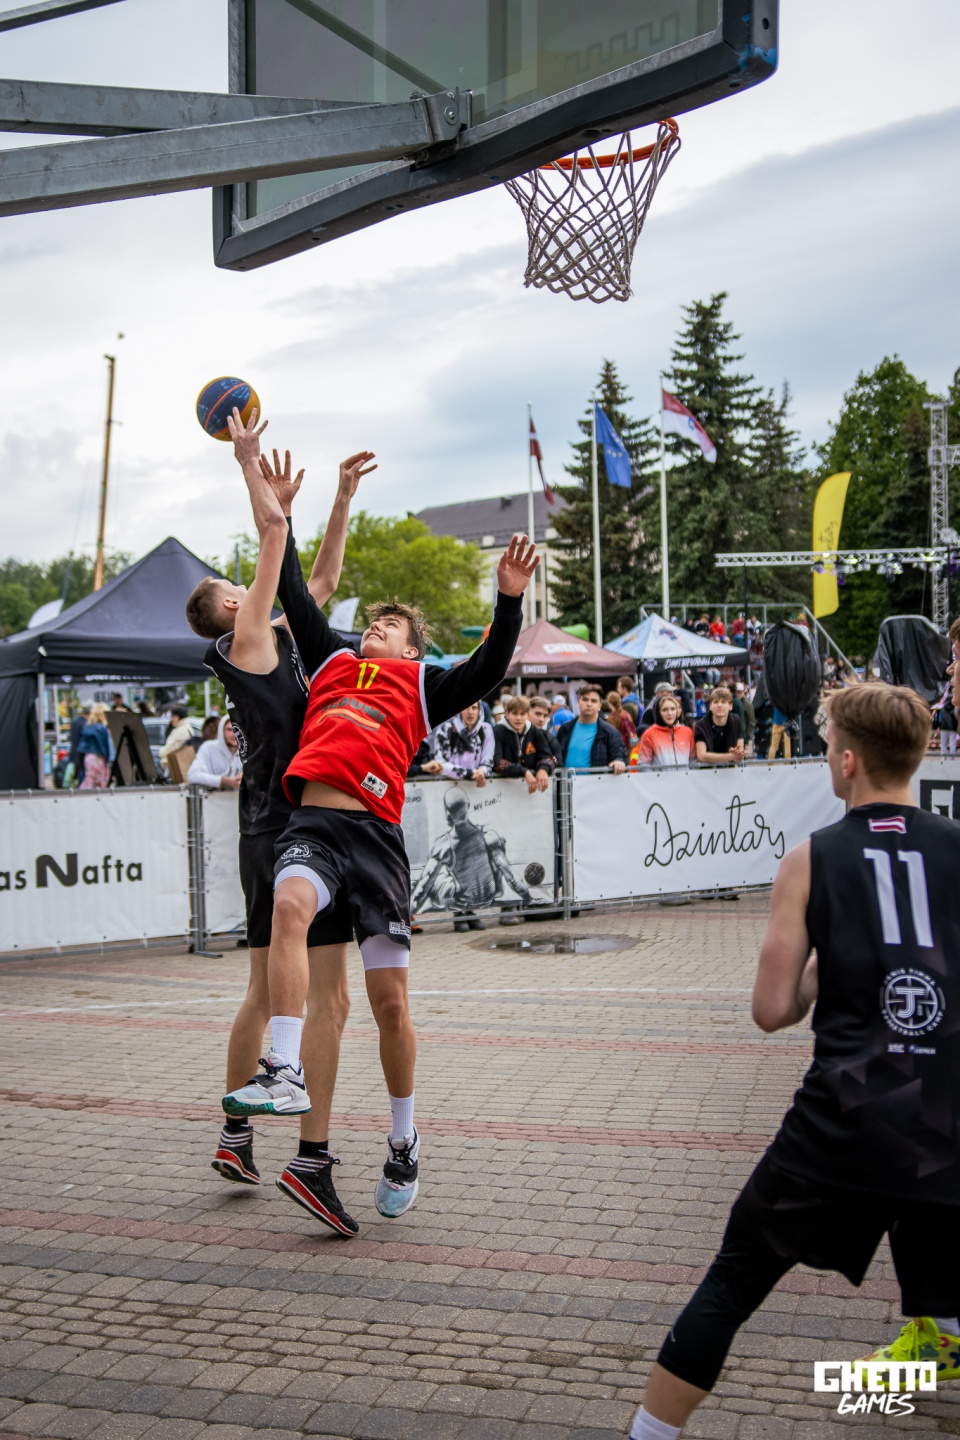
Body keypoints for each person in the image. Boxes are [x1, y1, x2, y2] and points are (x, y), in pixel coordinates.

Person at [627, 684, 960, 1440]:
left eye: (829, 745)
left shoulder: (811, 858)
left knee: (733, 1280)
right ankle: (915, 1361)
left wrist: (823, 969)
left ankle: (651, 1433)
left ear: (847, 761)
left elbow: (772, 1009)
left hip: (845, 1115)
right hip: (944, 1115)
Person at [221, 475, 539, 1221]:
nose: (375, 628)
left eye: (390, 626)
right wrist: (283, 512)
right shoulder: (331, 661)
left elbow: (490, 668)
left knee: (389, 1004)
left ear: (412, 648)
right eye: (372, 621)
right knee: (289, 909)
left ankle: (404, 1139)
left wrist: (508, 600)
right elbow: (295, 588)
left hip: (375, 839)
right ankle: (282, 1066)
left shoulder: (423, 684)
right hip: (312, 826)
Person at [185, 406, 374, 1236]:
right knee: (328, 1001)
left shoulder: (277, 639)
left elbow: (318, 580)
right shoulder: (250, 641)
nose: (250, 586)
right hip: (287, 832)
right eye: (238, 589)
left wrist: (337, 502)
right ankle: (310, 1159)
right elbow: (271, 541)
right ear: (231, 606)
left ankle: (235, 1139)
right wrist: (249, 464)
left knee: (266, 993)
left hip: (268, 830)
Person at [411, 787, 537, 932]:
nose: (457, 813)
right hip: (467, 897)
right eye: (454, 809)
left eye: (458, 808)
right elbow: (423, 887)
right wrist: (529, 898)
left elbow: (510, 874)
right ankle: (460, 913)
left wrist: (529, 898)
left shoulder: (487, 837)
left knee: (498, 854)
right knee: (438, 879)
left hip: (486, 894)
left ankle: (468, 913)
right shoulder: (445, 846)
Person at [556, 685, 626, 773]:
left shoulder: (610, 732)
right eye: (585, 699)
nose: (589, 704)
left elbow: (619, 754)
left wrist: (618, 761)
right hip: (565, 781)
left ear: (599, 706)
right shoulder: (565, 729)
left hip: (595, 781)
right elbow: (555, 754)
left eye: (594, 701)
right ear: (579, 702)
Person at [492, 695, 555, 793]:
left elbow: (547, 756)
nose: (518, 718)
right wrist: (524, 772)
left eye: (522, 714)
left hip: (529, 790)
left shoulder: (534, 731)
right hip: (501, 788)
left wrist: (543, 769)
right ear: (507, 714)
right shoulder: (498, 731)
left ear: (528, 715)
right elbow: (497, 762)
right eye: (515, 713)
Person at [425, 703, 494, 785]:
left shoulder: (486, 729)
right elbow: (440, 764)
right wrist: (471, 774)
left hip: (478, 787)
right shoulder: (446, 729)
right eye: (466, 707)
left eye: (474, 708)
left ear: (479, 710)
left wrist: (482, 771)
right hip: (448, 786)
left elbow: (488, 760)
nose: (470, 712)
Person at [633, 692, 694, 769]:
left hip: (685, 776)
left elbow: (693, 760)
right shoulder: (649, 734)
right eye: (665, 710)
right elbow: (644, 764)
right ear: (658, 713)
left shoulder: (687, 732)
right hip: (659, 777)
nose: (669, 713)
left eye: (673, 709)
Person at [186, 715, 242, 790]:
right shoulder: (208, 748)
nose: (234, 734)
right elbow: (193, 775)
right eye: (229, 730)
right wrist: (224, 781)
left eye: (238, 730)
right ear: (221, 731)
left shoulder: (248, 751)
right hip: (212, 797)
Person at [694, 686, 744, 765]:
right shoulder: (701, 725)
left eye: (723, 702)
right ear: (710, 706)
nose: (719, 705)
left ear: (730, 706)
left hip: (730, 769)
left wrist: (738, 752)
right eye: (716, 702)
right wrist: (730, 756)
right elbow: (701, 756)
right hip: (707, 770)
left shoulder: (736, 720)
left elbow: (740, 751)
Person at [77, 703, 113, 788]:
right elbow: (105, 748)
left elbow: (81, 746)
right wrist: (108, 762)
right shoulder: (102, 729)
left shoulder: (88, 726)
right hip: (99, 758)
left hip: (88, 757)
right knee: (101, 783)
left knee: (89, 781)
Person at [158, 704, 194, 772]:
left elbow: (168, 750)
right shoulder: (187, 728)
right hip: (183, 765)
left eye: (173, 717)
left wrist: (161, 752)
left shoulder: (180, 730)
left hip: (175, 766)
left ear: (179, 717)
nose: (172, 719)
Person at [528, 695, 562, 763]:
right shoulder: (515, 735)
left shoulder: (550, 738)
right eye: (538, 714)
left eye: (545, 716)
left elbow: (559, 762)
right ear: (527, 713)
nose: (541, 719)